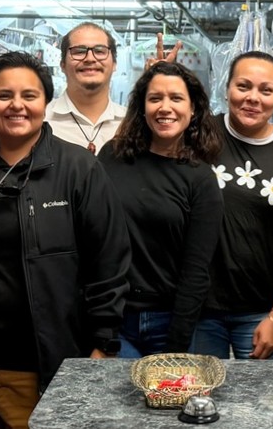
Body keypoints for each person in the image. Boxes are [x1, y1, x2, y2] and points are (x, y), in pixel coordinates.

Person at [0, 52, 131, 429]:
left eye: (29, 96)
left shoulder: (79, 169)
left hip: (46, 366)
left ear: (45, 103)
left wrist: (103, 344)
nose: (17, 105)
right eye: (3, 95)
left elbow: (109, 262)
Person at [192, 51, 273, 360]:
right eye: (243, 86)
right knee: (197, 404)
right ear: (227, 88)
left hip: (264, 312)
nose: (253, 98)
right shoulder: (198, 137)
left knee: (272, 405)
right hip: (199, 311)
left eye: (265, 90)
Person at [98, 61, 223, 357]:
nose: (165, 107)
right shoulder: (112, 158)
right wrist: (98, 324)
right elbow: (94, 241)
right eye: (155, 98)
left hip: (169, 322)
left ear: (193, 110)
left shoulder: (200, 178)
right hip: (113, 318)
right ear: (142, 108)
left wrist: (176, 346)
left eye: (176, 98)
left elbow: (196, 271)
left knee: (167, 403)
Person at [47, 25, 182, 154]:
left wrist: (159, 82)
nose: (89, 58)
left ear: (115, 64)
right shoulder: (42, 121)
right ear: (62, 65)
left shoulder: (132, 124)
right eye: (79, 51)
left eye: (100, 51)